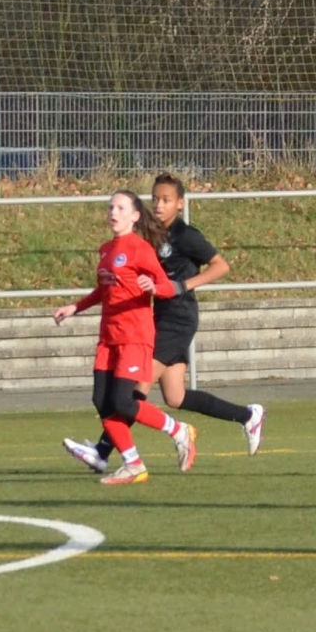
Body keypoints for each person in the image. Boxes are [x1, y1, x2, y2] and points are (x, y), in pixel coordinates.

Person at [64, 174, 263, 473]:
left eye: (166, 200)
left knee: (134, 390)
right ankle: (248, 416)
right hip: (157, 315)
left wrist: (182, 285)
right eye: (155, 199)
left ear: (180, 204)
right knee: (175, 396)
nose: (159, 205)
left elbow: (221, 266)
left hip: (178, 318)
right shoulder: (150, 234)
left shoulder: (186, 235)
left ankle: (104, 451)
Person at [53, 190, 197, 486]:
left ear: (134, 216)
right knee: (101, 400)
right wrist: (75, 307)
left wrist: (153, 287)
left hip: (135, 336)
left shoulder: (141, 249)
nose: (113, 213)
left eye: (120, 208)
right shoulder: (106, 249)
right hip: (109, 337)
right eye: (110, 208)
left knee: (123, 401)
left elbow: (165, 286)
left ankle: (179, 430)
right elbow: (103, 291)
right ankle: (133, 464)